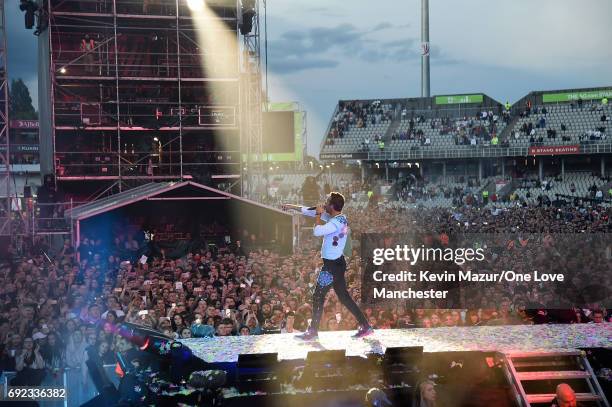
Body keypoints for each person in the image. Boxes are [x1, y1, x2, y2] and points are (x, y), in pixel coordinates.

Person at [283, 192, 373, 339]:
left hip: (331, 267)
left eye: (327, 202)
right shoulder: (338, 218)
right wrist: (291, 207)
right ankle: (366, 326)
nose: (324, 203)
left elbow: (317, 231)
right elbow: (309, 211)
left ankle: (313, 331)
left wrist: (319, 214)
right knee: (344, 298)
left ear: (332, 206)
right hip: (336, 264)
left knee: (318, 295)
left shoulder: (336, 223)